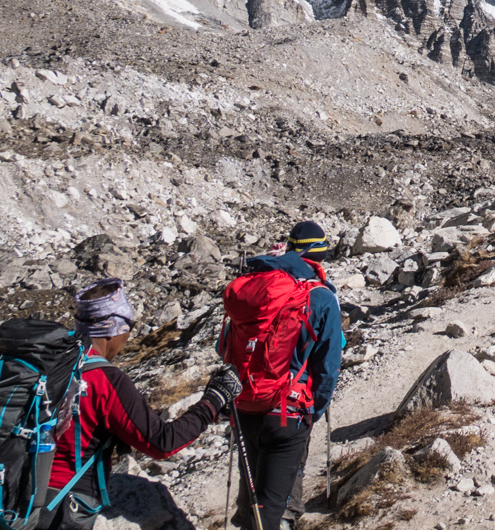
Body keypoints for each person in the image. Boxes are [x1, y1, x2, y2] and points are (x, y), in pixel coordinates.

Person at [45, 278, 240, 530]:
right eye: (129, 324)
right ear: (114, 328)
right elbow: (162, 443)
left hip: (6, 494)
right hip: (61, 505)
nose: (129, 334)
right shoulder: (104, 379)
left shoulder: (46, 362)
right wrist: (213, 401)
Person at [221, 222, 345, 530]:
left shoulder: (252, 285)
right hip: (288, 409)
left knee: (252, 488)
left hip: (245, 402)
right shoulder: (319, 296)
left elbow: (222, 347)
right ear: (321, 256)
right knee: (274, 506)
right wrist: (313, 410)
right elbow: (328, 366)